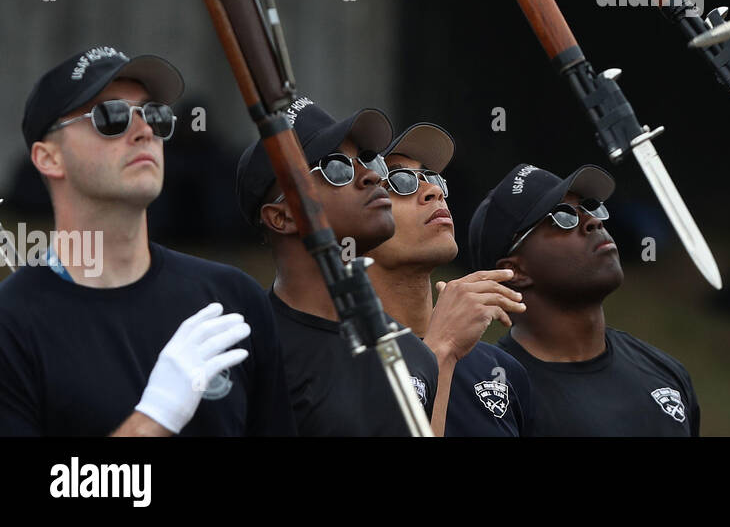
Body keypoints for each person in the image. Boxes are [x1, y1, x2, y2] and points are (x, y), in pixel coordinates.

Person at [0, 45, 294, 436]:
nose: (144, 131)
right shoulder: (11, 324)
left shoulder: (232, 299)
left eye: (154, 115)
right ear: (48, 158)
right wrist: (155, 418)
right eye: (111, 116)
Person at [236, 97, 441, 436]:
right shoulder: (249, 350)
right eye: (336, 167)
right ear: (281, 215)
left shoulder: (415, 356)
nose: (371, 177)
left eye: (368, 161)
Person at [469, 162, 700, 436]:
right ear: (515, 271)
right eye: (563, 216)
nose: (593, 221)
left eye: (589, 207)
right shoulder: (495, 395)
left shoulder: (665, 373)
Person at [365, 122, 530, 435]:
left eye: (432, 178)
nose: (435, 191)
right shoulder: (335, 364)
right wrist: (441, 351)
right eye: (400, 180)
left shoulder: (500, 370)